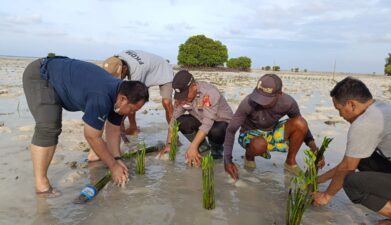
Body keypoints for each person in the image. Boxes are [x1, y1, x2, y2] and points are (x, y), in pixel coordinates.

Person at [22, 56, 149, 197]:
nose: (131, 113)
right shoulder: (102, 96)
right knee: (49, 127)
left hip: (59, 76)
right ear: (123, 99)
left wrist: (117, 159)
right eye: (133, 110)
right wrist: (113, 167)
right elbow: (92, 136)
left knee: (53, 126)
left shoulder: (120, 95)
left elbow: (113, 129)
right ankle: (42, 185)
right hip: (41, 75)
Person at [313, 77, 391, 225]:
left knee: (351, 183)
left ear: (351, 104)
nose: (340, 115)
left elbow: (347, 168)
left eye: (339, 109)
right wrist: (319, 179)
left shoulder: (365, 123)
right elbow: (348, 163)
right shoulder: (381, 108)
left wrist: (326, 196)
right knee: (365, 158)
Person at [224, 74, 322, 180]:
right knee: (259, 144)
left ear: (279, 94)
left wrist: (315, 149)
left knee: (300, 123)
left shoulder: (288, 102)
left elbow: (303, 128)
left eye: (266, 99)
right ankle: (249, 156)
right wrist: (227, 161)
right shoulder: (248, 102)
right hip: (250, 134)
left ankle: (290, 162)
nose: (261, 102)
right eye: (259, 97)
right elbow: (231, 130)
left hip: (272, 131)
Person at [159, 70, 233, 165]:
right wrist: (169, 144)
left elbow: (207, 123)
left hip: (221, 123)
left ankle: (217, 149)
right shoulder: (182, 97)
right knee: (181, 121)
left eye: (185, 95)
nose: (183, 99)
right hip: (201, 120)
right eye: (180, 96)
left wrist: (193, 146)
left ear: (194, 87)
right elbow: (173, 119)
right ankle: (203, 147)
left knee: (217, 130)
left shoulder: (209, 93)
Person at [102, 50, 174, 136]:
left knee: (166, 103)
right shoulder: (114, 62)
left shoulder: (136, 71)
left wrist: (118, 120)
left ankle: (174, 136)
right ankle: (133, 128)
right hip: (146, 69)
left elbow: (131, 99)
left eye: (119, 76)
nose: (119, 79)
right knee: (128, 100)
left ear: (124, 69)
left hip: (163, 70)